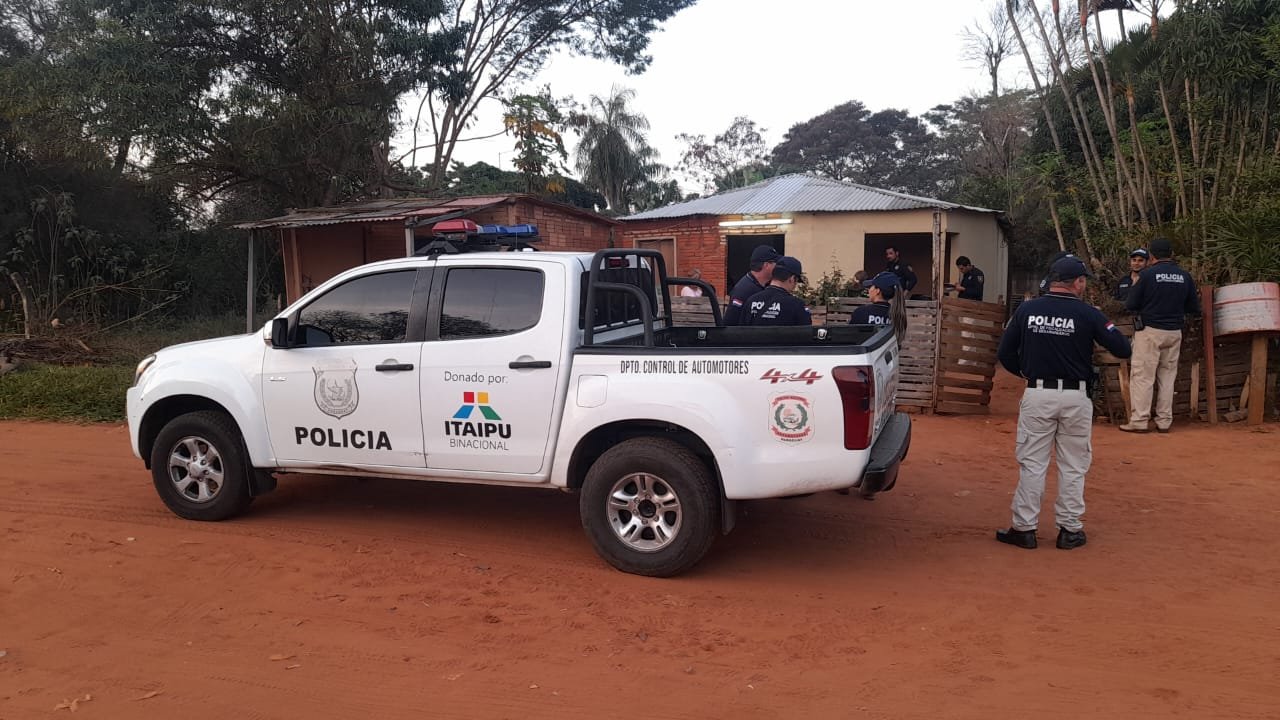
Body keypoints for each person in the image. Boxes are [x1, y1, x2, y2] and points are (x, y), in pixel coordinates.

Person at [995, 255, 1132, 550]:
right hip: (1076, 396)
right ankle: (1070, 530)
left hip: (1038, 393)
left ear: (1053, 281)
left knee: (1033, 463)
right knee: (1073, 465)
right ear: (1078, 283)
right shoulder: (1088, 314)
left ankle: (1025, 529)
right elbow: (1122, 348)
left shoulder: (1028, 310)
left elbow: (1005, 352)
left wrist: (1027, 372)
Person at [1120, 238, 1201, 434]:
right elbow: (1193, 308)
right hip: (1174, 332)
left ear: (1152, 256)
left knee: (1143, 376)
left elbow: (1130, 304)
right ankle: (1164, 421)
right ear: (1171, 254)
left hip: (1150, 332)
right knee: (1167, 376)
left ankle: (1139, 420)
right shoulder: (1184, 276)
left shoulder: (1146, 275)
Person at [743, 256, 812, 326]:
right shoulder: (797, 306)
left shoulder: (751, 301)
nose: (795, 286)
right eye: (796, 281)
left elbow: (740, 332)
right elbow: (806, 334)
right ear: (792, 279)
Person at [724, 245, 780, 325]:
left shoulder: (762, 285)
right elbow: (730, 324)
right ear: (766, 265)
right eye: (776, 263)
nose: (777, 267)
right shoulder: (743, 291)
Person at [849, 271, 907, 341]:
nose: (869, 290)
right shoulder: (898, 316)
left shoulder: (860, 313)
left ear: (877, 291)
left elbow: (850, 338)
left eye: (871, 286)